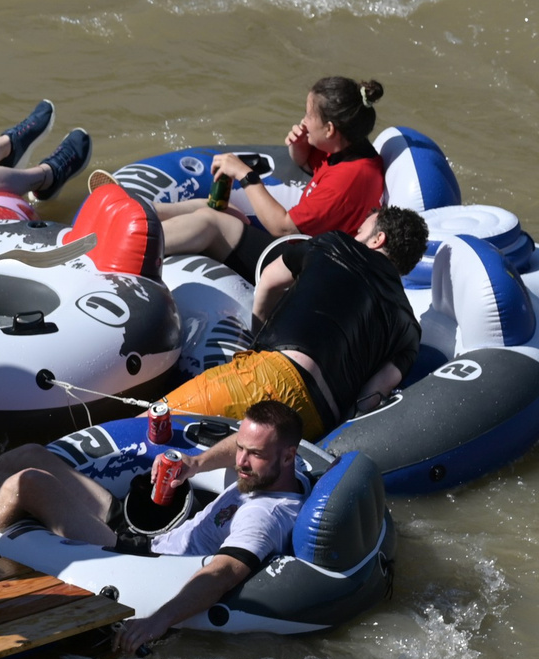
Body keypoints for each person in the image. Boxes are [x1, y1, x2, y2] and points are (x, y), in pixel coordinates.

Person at [0, 402, 311, 653]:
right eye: (242, 449)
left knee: (27, 484)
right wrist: (195, 463)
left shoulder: (266, 515)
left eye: (255, 455)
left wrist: (159, 620)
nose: (242, 461)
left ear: (289, 455)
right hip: (147, 535)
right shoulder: (264, 470)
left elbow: (225, 572)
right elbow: (240, 441)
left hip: (139, 557)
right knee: (30, 454)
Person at [161, 206, 430, 438]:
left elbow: (268, 280)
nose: (355, 236)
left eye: (360, 231)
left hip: (268, 376)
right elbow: (370, 396)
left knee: (150, 427)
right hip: (316, 418)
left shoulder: (335, 243)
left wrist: (256, 341)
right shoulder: (409, 327)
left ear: (377, 239)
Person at [156, 77, 388, 280]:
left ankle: (133, 245)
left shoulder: (349, 179)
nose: (304, 121)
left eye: (309, 115)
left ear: (329, 129)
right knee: (205, 207)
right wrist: (299, 146)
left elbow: (283, 228)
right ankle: (132, 214)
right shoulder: (348, 148)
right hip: (301, 248)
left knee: (210, 222)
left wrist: (245, 175)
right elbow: (307, 163)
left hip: (306, 270)